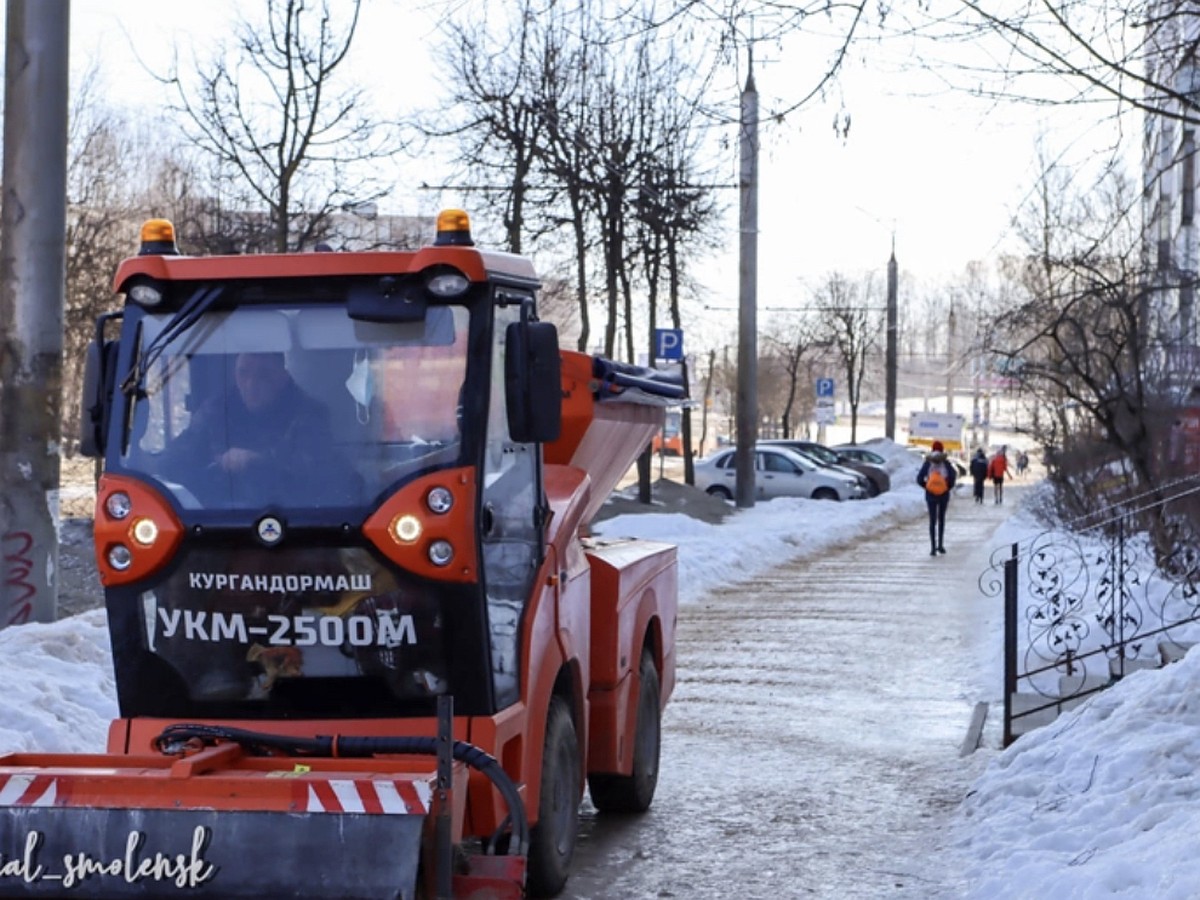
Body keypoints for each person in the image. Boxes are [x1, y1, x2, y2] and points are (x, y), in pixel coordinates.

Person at [169, 352, 350, 504]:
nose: (251, 384)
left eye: (264, 375)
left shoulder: (311, 414)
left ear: (283, 376)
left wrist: (256, 460)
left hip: (297, 517)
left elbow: (316, 472)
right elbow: (176, 460)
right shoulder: (216, 410)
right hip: (218, 522)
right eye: (243, 373)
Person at [917, 440, 956, 556]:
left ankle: (933, 548)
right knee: (941, 519)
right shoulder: (946, 463)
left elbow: (919, 479)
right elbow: (953, 477)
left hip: (931, 495)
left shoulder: (928, 463)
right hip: (943, 495)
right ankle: (940, 545)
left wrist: (928, 487)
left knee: (932, 520)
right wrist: (946, 488)